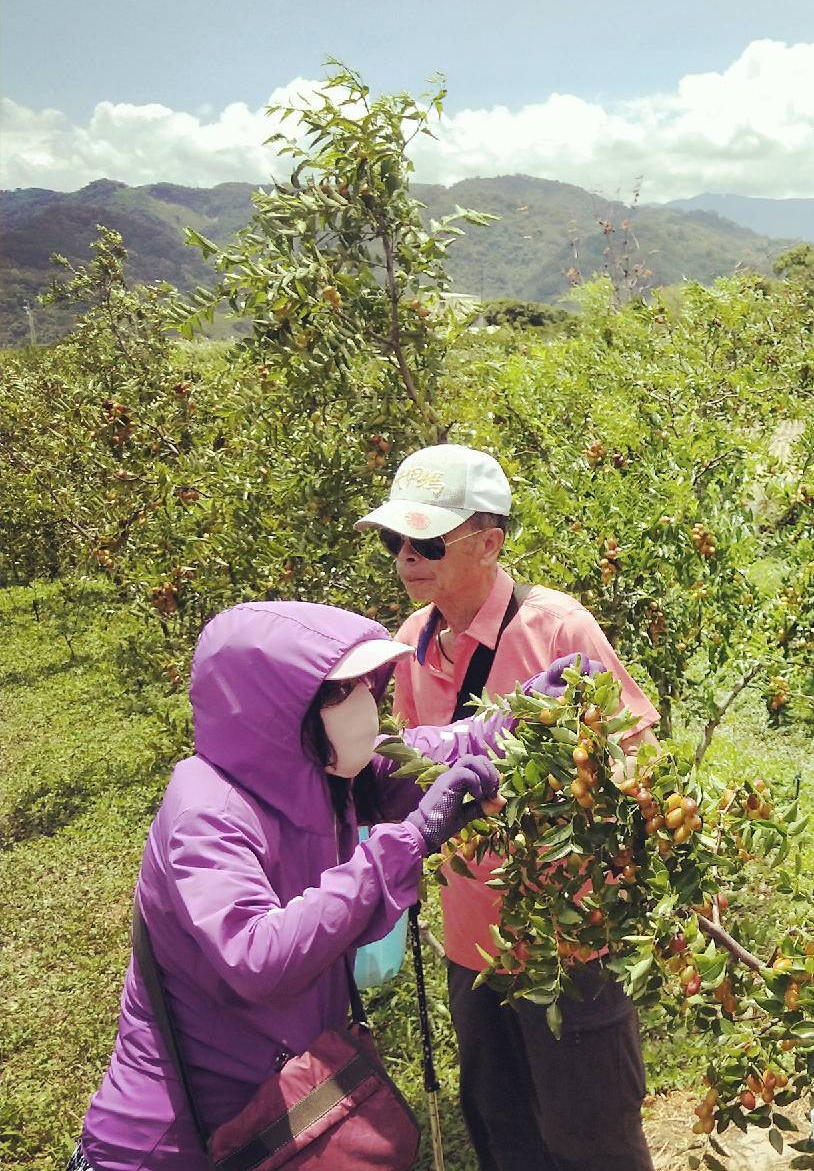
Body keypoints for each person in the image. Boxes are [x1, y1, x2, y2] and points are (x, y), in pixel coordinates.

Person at [70, 600, 564, 1170]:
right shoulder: (205, 814)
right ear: (274, 711)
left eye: (363, 688)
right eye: (337, 693)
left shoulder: (319, 770)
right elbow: (261, 956)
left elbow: (427, 754)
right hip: (174, 1146)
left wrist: (524, 714)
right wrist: (409, 841)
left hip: (277, 1115)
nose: (361, 708)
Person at [357, 442, 660, 1171]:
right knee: (503, 1129)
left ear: (489, 542)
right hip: (474, 945)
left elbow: (640, 762)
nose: (405, 558)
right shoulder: (408, 644)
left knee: (592, 1139)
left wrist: (558, 790)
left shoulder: (558, 629)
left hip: (571, 940)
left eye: (426, 541)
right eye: (395, 540)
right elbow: (403, 774)